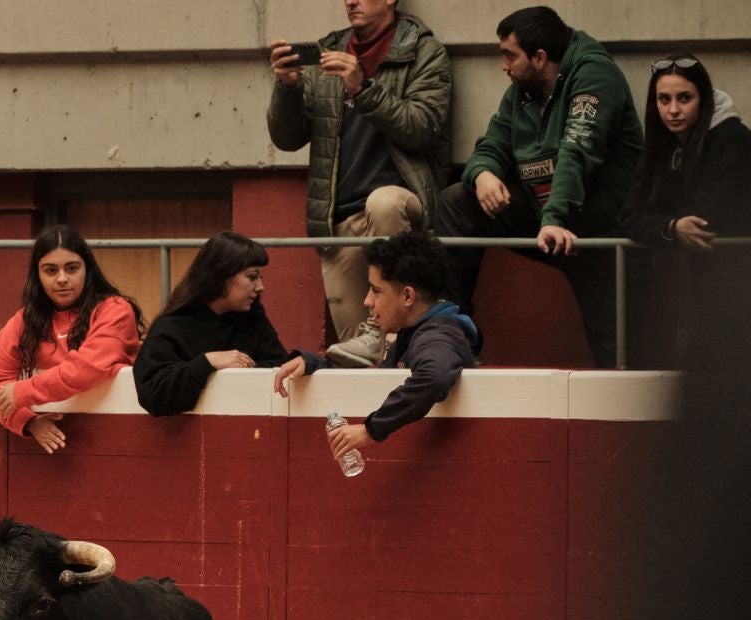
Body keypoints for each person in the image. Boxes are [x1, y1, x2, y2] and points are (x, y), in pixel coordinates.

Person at [434, 5, 642, 368]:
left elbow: (577, 151)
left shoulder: (594, 75)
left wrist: (556, 217)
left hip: (596, 230)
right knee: (456, 202)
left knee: (617, 350)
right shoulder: (521, 90)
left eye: (509, 55)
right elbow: (492, 144)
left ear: (540, 56)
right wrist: (483, 174)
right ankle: (453, 339)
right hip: (544, 219)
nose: (504, 65)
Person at [267, 0, 451, 366]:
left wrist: (363, 88)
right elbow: (288, 139)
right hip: (340, 221)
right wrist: (288, 87)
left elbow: (424, 126)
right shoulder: (328, 52)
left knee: (383, 202)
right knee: (362, 360)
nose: (351, 1)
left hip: (398, 209)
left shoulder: (423, 50)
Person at [274, 229, 480, 459]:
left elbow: (434, 377)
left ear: (408, 297)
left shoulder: (437, 335)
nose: (367, 301)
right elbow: (375, 378)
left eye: (376, 290)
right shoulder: (414, 334)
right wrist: (311, 363)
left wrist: (370, 430)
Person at [620, 55, 751, 367]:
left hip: (737, 274)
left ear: (703, 100)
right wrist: (671, 227)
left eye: (685, 98)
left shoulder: (732, 138)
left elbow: (707, 218)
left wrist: (665, 223)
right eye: (664, 99)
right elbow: (629, 213)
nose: (673, 110)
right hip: (705, 279)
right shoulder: (661, 141)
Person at [0, 224, 143, 454]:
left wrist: (21, 392)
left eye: (71, 268)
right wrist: (28, 421)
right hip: (56, 457)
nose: (62, 279)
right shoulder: (25, 320)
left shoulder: (115, 311)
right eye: (51, 270)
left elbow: (85, 370)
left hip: (123, 440)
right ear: (38, 275)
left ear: (87, 270)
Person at [135, 232, 313, 416]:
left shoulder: (253, 319)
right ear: (221, 276)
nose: (260, 287)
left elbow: (277, 366)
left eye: (260, 278)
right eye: (252, 277)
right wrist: (207, 362)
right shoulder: (172, 326)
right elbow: (153, 394)